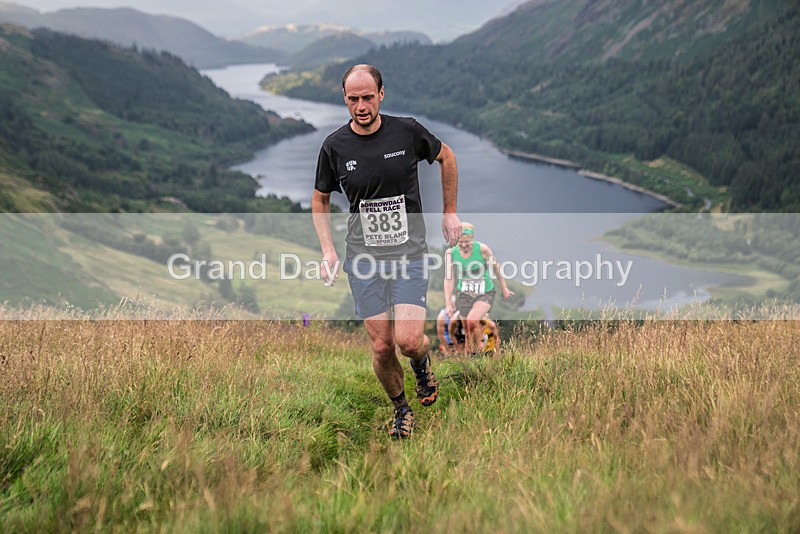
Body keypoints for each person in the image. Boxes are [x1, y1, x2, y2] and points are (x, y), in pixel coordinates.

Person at [312, 64, 461, 439]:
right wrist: (328, 251)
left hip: (409, 254)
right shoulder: (334, 146)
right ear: (344, 99)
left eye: (367, 97)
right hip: (363, 260)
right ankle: (401, 410)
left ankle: (422, 362)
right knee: (381, 347)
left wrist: (450, 212)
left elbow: (448, 157)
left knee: (408, 341)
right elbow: (320, 198)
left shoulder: (407, 131)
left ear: (381, 94)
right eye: (352, 99)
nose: (361, 106)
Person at [444, 222, 513, 355]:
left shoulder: (482, 249)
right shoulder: (450, 253)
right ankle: (471, 357)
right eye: (460, 243)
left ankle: (478, 352)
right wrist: (447, 303)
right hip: (463, 293)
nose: (463, 246)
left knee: (471, 321)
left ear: (472, 239)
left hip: (485, 292)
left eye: (467, 242)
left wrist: (504, 288)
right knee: (467, 329)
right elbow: (449, 279)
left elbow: (496, 267)